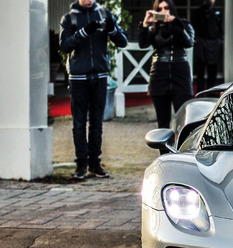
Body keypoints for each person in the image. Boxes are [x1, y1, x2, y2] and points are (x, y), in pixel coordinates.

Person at [59, 0, 128, 179]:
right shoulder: (70, 18)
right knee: (79, 123)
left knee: (97, 123)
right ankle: (81, 165)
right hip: (78, 77)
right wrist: (83, 32)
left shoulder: (105, 14)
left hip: (99, 76)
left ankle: (95, 164)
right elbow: (65, 46)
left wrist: (112, 29)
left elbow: (122, 42)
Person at [139, 0, 195, 129]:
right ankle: (165, 150)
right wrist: (145, 24)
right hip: (159, 74)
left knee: (184, 121)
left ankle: (183, 150)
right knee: (162, 123)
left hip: (180, 73)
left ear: (172, 10)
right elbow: (143, 44)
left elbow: (189, 42)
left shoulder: (183, 24)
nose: (163, 12)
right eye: (160, 9)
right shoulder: (154, 27)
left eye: (166, 8)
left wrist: (175, 23)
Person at [192, 0, 223, 93]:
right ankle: (200, 91)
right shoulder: (199, 12)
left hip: (215, 42)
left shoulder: (217, 12)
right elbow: (195, 26)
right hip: (202, 41)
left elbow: (220, 27)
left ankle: (211, 91)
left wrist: (220, 38)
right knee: (200, 68)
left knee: (213, 69)